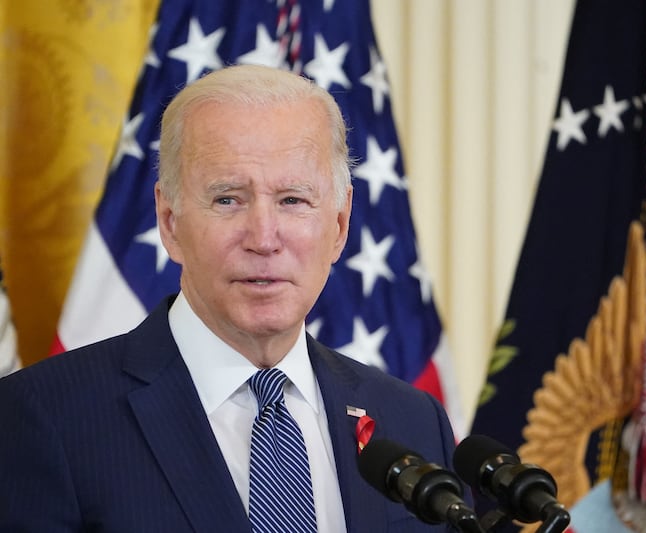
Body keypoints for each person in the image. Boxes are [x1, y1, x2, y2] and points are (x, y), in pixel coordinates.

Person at [0, 65, 460, 532]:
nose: (263, 238)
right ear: (170, 221)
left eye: (293, 200)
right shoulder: (43, 417)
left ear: (339, 226)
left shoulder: (412, 421)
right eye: (228, 199)